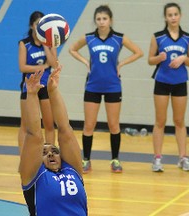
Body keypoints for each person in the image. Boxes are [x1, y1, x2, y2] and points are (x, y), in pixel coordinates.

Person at [69, 5, 143, 173]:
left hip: (113, 86)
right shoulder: (89, 38)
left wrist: (121, 63)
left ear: (110, 20)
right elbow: (72, 49)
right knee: (89, 125)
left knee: (113, 125)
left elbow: (139, 52)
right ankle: (86, 159)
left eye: (104, 19)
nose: (101, 22)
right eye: (98, 19)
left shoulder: (118, 38)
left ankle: (115, 160)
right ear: (95, 21)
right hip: (93, 85)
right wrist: (85, 62)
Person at [19, 66, 88, 215]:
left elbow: (65, 129)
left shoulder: (72, 169)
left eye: (55, 151)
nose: (51, 154)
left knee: (66, 131)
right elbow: (34, 135)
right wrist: (31, 95)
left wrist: (53, 91)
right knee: (36, 137)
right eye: (44, 152)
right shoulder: (35, 177)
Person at [148, 3, 189, 172]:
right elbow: (150, 60)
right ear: (165, 17)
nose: (173, 17)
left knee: (179, 121)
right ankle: (157, 159)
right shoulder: (158, 37)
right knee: (160, 121)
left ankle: (183, 157)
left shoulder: (187, 38)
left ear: (180, 16)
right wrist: (159, 57)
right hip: (162, 81)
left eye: (176, 14)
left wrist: (183, 58)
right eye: (170, 15)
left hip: (180, 82)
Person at [18, 11, 58, 153]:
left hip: (45, 86)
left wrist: (46, 45)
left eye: (42, 25)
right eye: (37, 25)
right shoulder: (24, 44)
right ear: (31, 26)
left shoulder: (50, 43)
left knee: (49, 124)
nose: (39, 28)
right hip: (29, 87)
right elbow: (22, 67)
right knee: (26, 126)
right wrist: (42, 67)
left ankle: (49, 155)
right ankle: (24, 158)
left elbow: (54, 63)